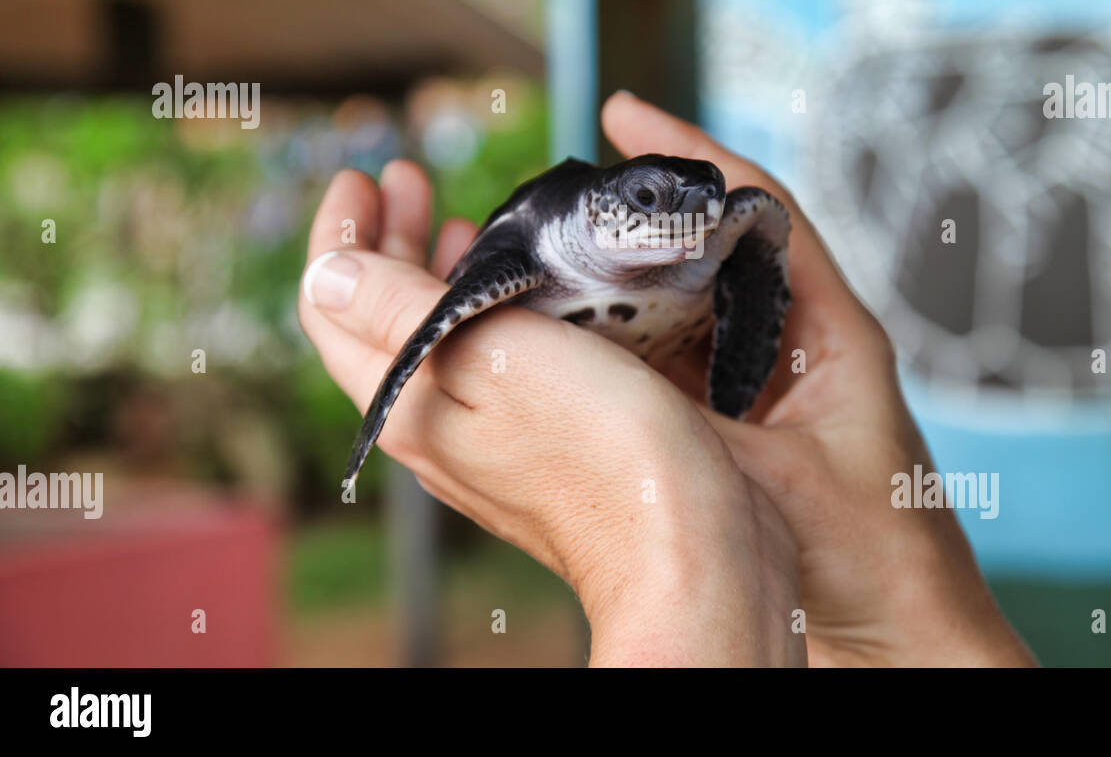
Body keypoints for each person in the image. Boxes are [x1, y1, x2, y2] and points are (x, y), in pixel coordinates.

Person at [298, 91, 1035, 667]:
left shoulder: (715, 232)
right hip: (575, 286)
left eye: (702, 200)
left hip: (669, 351)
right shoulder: (537, 251)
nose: (689, 217)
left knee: (758, 218)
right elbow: (436, 321)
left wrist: (683, 530)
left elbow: (735, 236)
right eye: (651, 200)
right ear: (600, 209)